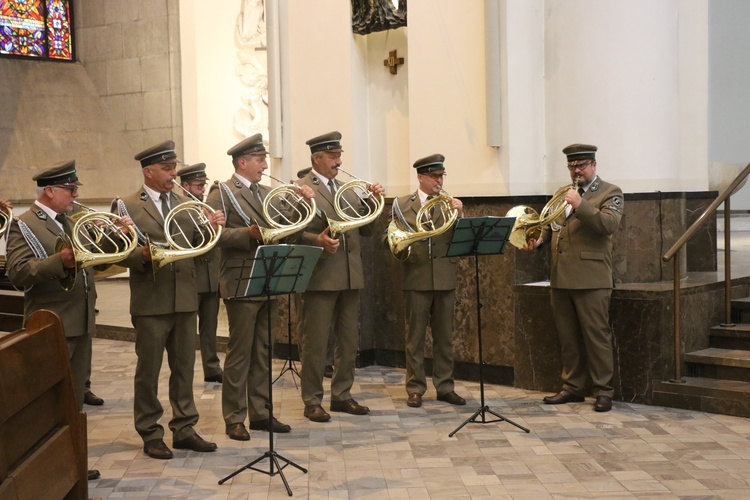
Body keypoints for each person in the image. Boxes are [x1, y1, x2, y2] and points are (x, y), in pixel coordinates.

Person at [4, 160, 122, 480]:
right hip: (52, 322)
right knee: (50, 400)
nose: (75, 194)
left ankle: (73, 460)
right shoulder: (25, 224)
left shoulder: (73, 220)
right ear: (50, 190)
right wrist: (60, 260)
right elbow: (18, 274)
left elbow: (97, 261)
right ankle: (45, 467)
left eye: (75, 188)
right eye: (70, 189)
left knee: (74, 399)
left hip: (80, 320)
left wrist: (117, 236)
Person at [115, 140, 224, 459]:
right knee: (148, 371)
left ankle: (185, 428)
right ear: (148, 172)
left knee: (184, 368)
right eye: (166, 168)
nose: (173, 173)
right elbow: (120, 254)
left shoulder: (185, 201)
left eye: (174, 167)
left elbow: (199, 245)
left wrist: (213, 228)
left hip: (185, 298)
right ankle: (150, 432)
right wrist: (141, 255)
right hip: (151, 300)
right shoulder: (127, 205)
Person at [205, 133, 313, 440]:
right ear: (242, 162)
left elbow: (282, 229)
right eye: (259, 159)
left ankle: (262, 412)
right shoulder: (222, 192)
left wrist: (300, 207)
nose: (265, 164)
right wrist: (247, 235)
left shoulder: (266, 192)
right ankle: (234, 417)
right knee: (240, 352)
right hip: (240, 279)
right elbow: (215, 236)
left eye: (264, 159)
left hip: (268, 275)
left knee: (264, 349)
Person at [523, 144, 623, 412]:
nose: (576, 171)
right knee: (568, 337)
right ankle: (573, 388)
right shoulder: (561, 195)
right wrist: (538, 240)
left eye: (582, 165)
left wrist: (581, 204)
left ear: (594, 165)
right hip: (561, 277)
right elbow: (550, 225)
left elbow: (608, 225)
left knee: (596, 336)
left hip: (592, 278)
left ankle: (604, 391)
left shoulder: (610, 192)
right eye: (572, 166)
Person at [295, 131, 385, 423]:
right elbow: (292, 232)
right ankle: (311, 400)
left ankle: (342, 395)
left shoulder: (348, 189)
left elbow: (368, 231)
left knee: (348, 340)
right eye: (332, 157)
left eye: (339, 156)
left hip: (349, 274)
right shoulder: (301, 188)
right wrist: (316, 240)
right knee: (316, 342)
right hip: (320, 276)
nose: (338, 161)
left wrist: (374, 203)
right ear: (316, 158)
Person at [388, 154, 467, 408]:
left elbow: (461, 238)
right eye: (433, 176)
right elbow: (390, 237)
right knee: (415, 337)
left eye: (441, 175)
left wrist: (461, 214)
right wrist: (401, 246)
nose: (438, 180)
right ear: (420, 177)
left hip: (445, 277)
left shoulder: (448, 204)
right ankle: (415, 388)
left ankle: (445, 386)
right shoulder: (402, 204)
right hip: (417, 276)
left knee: (445, 337)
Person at [177, 163, 223, 384]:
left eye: (203, 185)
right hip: (191, 277)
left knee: (210, 326)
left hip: (211, 276)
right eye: (197, 186)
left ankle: (212, 367)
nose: (201, 190)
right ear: (185, 186)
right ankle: (184, 370)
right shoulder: (179, 210)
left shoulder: (205, 208)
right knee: (186, 331)